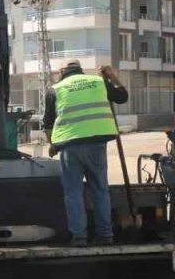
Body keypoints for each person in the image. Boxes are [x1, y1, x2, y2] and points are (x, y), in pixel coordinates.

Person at [43, 61, 129, 247]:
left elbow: (48, 122)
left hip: (69, 146)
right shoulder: (98, 82)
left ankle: (79, 237)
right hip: (96, 144)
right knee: (100, 190)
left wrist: (52, 145)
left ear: (62, 72)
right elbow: (122, 97)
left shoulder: (56, 89)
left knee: (73, 193)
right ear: (80, 69)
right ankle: (105, 235)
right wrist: (111, 74)